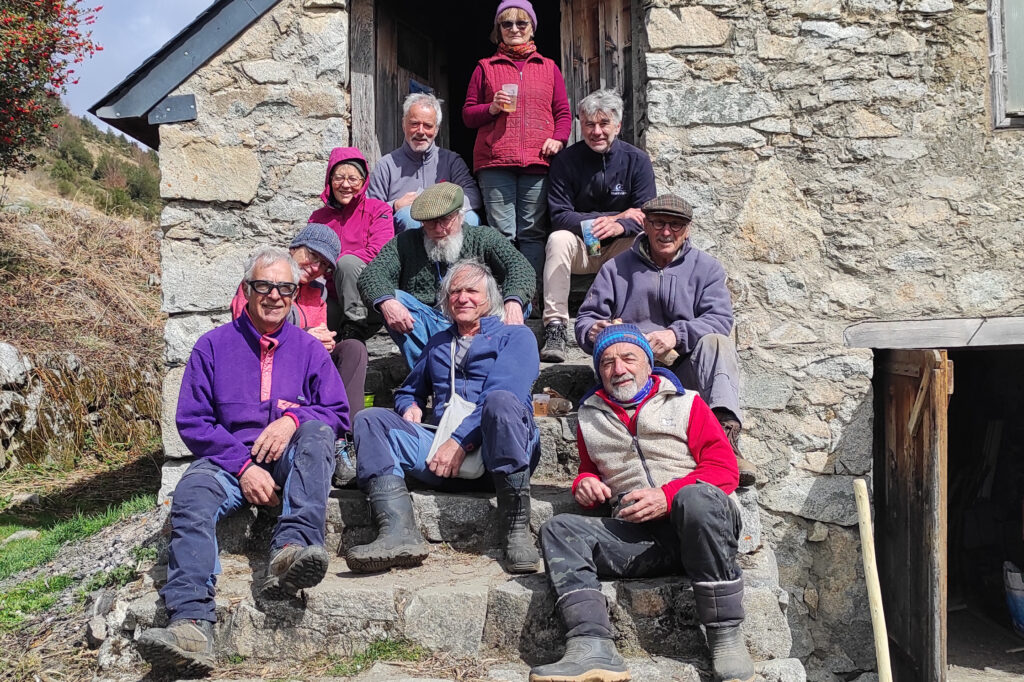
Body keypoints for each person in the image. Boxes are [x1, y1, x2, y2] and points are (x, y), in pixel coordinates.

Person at [137, 247, 349, 676]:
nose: (274, 295)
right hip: (226, 464)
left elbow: (337, 412)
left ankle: (290, 552)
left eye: (285, 288)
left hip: (289, 458)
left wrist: (292, 420)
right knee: (191, 494)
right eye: (264, 286)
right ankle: (191, 623)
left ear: (295, 294)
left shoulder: (310, 350)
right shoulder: (213, 346)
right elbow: (193, 421)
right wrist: (243, 466)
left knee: (317, 434)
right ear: (246, 290)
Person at [530, 325, 754, 682]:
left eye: (628, 358)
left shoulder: (687, 403)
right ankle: (592, 644)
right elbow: (589, 469)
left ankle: (724, 633)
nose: (618, 369)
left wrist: (667, 496)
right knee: (558, 529)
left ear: (648, 364)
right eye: (607, 362)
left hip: (702, 527)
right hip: (642, 541)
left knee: (694, 497)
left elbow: (724, 469)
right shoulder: (589, 416)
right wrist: (584, 483)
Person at [346, 260, 541, 574]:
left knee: (501, 402)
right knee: (370, 420)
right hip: (443, 458)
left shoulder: (516, 337)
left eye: (471, 291)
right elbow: (409, 390)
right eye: (455, 292)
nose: (462, 298)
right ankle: (397, 532)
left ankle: (516, 529)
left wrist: (459, 442)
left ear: (490, 297)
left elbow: (507, 391)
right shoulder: (438, 342)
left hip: (500, 455)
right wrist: (409, 406)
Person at [574, 195, 758, 487]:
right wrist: (594, 330)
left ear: (687, 230)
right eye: (659, 223)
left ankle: (726, 441)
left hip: (685, 368)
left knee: (718, 344)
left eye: (676, 225)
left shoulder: (707, 268)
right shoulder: (615, 268)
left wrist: (676, 334)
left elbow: (720, 319)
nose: (666, 232)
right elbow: (586, 319)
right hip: (634, 373)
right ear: (646, 225)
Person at [358, 182, 536, 369]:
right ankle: (431, 371)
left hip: (479, 320)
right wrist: (387, 302)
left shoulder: (484, 237)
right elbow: (372, 274)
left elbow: (520, 267)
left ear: (460, 215)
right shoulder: (405, 242)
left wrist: (513, 301)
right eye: (430, 222)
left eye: (445, 220)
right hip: (430, 323)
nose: (438, 228)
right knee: (391, 299)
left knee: (519, 301)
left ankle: (483, 364)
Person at [540, 89, 656, 362]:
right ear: (581, 125)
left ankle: (627, 321)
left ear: (617, 125)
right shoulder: (566, 160)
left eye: (604, 123)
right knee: (557, 239)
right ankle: (555, 326)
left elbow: (647, 214)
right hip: (582, 246)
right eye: (589, 124)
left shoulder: (637, 160)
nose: (596, 132)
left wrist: (619, 225)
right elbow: (559, 215)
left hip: (618, 248)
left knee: (642, 241)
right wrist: (616, 217)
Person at [462, 0, 572, 289]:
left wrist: (558, 139)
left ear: (532, 28)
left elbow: (563, 113)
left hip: (537, 161)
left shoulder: (548, 67)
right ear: (498, 29)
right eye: (506, 23)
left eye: (521, 23)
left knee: (532, 233)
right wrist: (491, 108)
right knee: (502, 234)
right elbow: (468, 114)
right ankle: (504, 295)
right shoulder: (485, 67)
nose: (514, 29)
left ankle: (529, 295)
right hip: (495, 161)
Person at [228, 223, 368, 434]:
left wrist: (324, 342)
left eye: (324, 265)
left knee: (353, 349)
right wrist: (305, 337)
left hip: (305, 361)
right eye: (313, 255)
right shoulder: (261, 282)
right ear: (294, 248)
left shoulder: (318, 292)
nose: (316, 268)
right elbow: (248, 330)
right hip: (266, 358)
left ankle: (347, 436)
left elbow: (319, 331)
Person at [367, 92, 484, 233]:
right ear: (404, 125)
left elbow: (473, 196)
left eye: (428, 125)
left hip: (447, 225)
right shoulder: (386, 165)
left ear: (436, 129)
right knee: (407, 217)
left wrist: (441, 206)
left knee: (471, 218)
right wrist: (395, 205)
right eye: (414, 124)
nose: (421, 131)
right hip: (406, 237)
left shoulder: (451, 161)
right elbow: (369, 209)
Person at [309, 147, 394, 340]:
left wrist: (333, 262)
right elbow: (309, 256)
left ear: (363, 182)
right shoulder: (318, 218)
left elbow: (380, 252)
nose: (345, 185)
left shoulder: (378, 210)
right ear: (330, 180)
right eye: (339, 178)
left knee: (347, 263)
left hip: (366, 299)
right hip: (331, 297)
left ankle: (355, 326)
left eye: (353, 179)